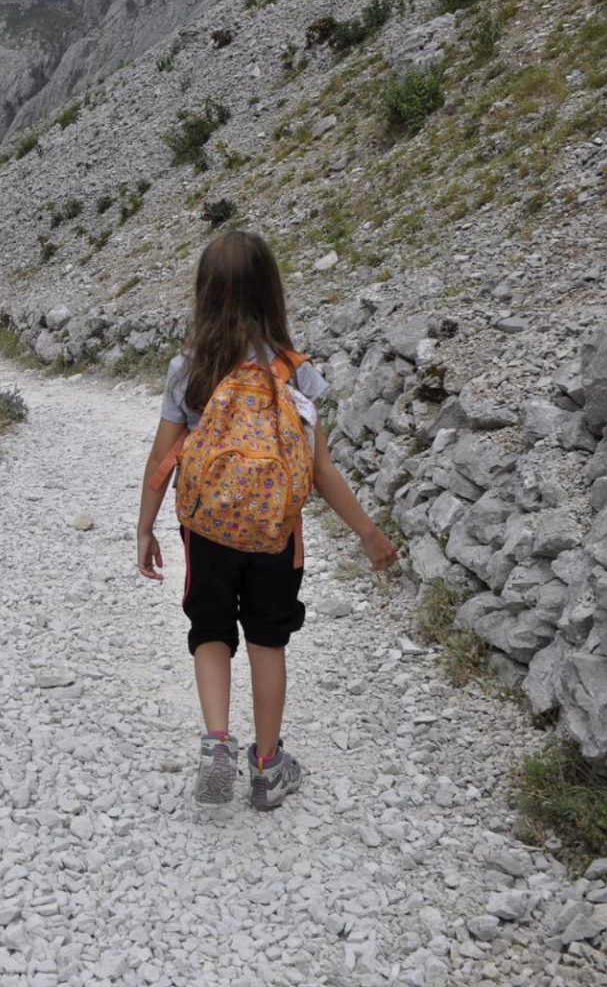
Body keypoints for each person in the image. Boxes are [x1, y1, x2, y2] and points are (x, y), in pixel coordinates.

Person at [136, 230, 396, 812]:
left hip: (206, 531)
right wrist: (369, 533)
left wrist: (145, 527)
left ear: (204, 293)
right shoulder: (295, 372)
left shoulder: (189, 370)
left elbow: (161, 461)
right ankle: (267, 765)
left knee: (209, 630)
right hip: (276, 533)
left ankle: (216, 744)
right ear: (271, 293)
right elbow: (321, 469)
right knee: (267, 637)